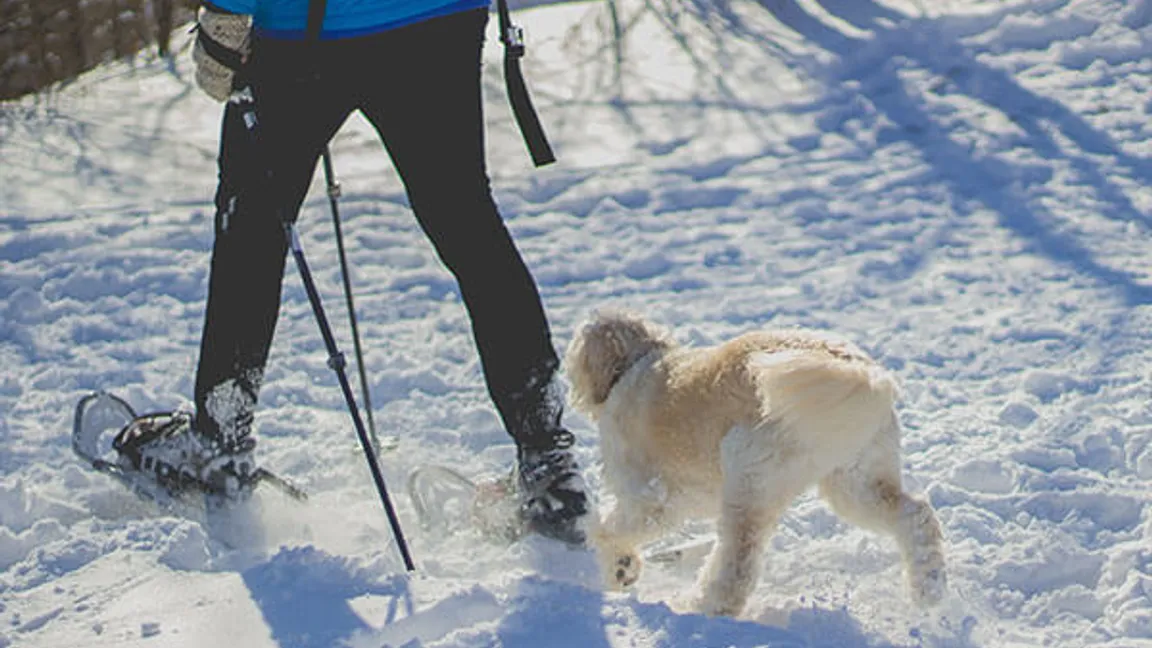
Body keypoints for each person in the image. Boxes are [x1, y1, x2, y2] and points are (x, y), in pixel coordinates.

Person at [123, 0, 588, 545]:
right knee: (468, 225)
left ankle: (217, 443)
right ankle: (547, 463)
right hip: (436, 22)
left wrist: (227, 15)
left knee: (251, 233)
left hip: (305, 33)